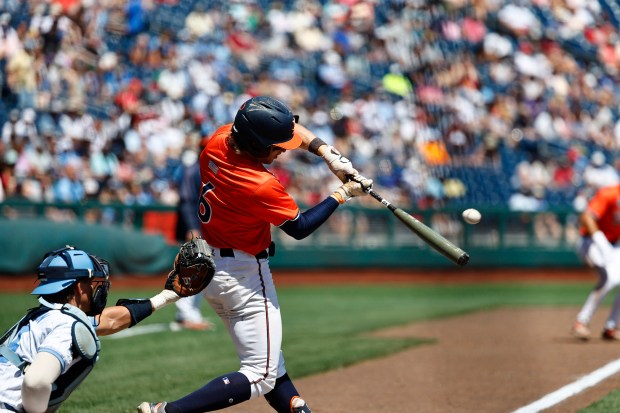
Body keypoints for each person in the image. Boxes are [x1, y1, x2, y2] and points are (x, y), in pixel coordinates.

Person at [138, 95, 373, 413]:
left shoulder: (220, 139)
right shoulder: (257, 183)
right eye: (276, 146)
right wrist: (342, 193)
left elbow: (293, 130)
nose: (283, 150)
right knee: (261, 375)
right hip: (245, 276)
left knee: (272, 368)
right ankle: (167, 412)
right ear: (256, 144)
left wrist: (328, 154)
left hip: (215, 272)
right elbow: (299, 227)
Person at [0, 245, 183, 412]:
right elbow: (35, 382)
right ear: (79, 287)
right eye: (91, 282)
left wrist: (165, 297)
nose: (95, 287)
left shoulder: (42, 316)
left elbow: (109, 321)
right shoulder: (67, 326)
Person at [173, 138, 213, 331]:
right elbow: (186, 201)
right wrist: (192, 229)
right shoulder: (194, 169)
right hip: (195, 227)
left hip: (203, 227)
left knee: (203, 271)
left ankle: (190, 313)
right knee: (195, 270)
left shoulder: (208, 168)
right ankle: (186, 313)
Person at [571, 184, 620, 340]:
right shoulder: (610, 193)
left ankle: (611, 327)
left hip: (615, 243)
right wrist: (602, 243)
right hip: (592, 241)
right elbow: (586, 217)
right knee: (609, 279)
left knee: (614, 278)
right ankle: (581, 321)